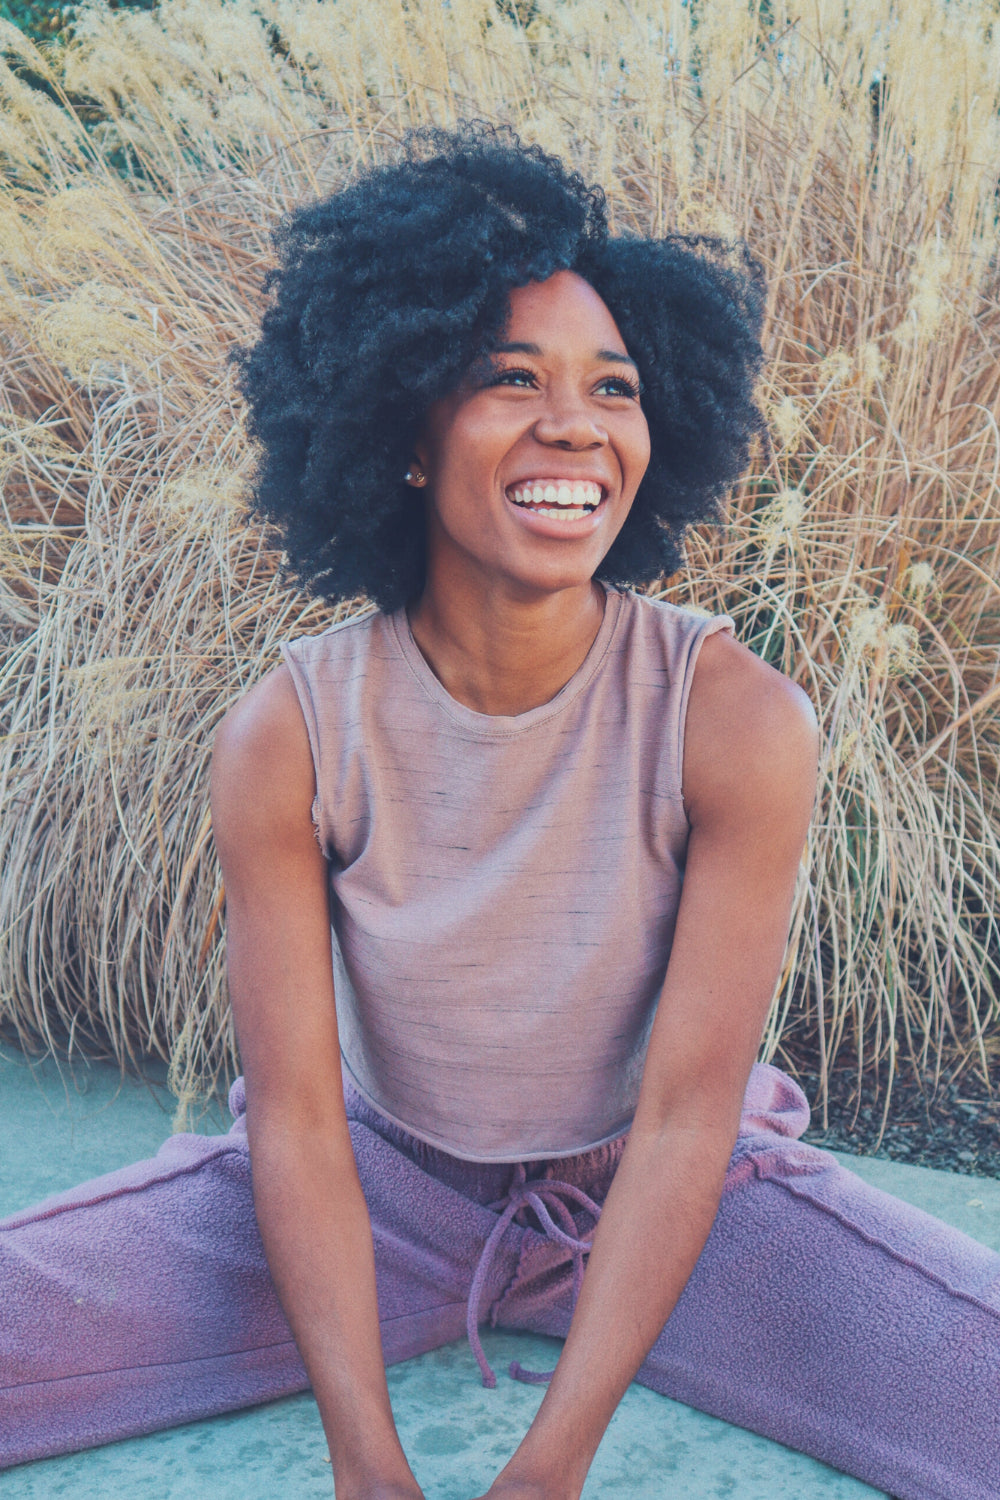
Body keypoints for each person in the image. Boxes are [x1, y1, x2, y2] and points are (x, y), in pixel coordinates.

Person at [1, 123, 997, 1500]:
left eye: (614, 387)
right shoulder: (287, 730)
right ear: (401, 431)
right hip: (373, 1198)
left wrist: (551, 1464)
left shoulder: (736, 719)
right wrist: (369, 1464)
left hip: (670, 1199)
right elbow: (293, 1120)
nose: (574, 425)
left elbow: (692, 1110)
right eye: (509, 379)